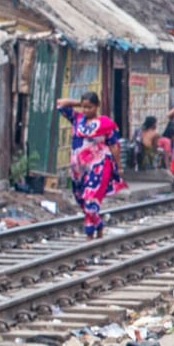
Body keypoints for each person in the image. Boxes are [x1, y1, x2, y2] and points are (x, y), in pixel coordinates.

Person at [57, 91, 120, 239]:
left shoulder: (105, 123)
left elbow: (114, 145)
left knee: (91, 199)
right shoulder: (76, 119)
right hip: (78, 169)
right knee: (81, 200)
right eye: (84, 107)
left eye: (90, 107)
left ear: (97, 106)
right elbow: (59, 103)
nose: (86, 110)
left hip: (99, 166)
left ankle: (89, 235)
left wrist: (119, 166)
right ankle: (98, 225)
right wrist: (79, 103)